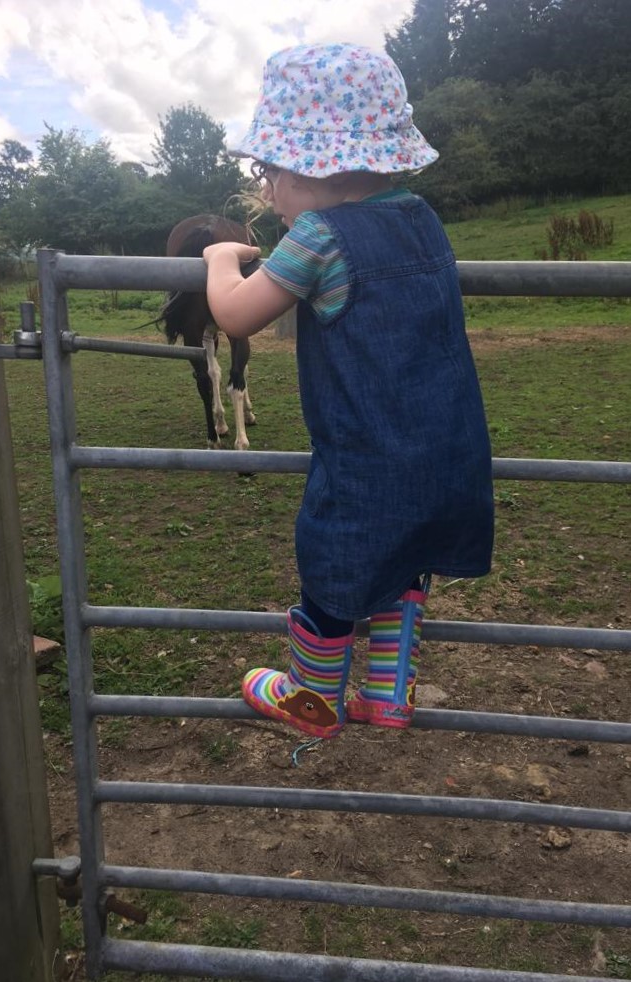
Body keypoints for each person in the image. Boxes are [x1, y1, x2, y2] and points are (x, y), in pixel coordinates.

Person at [202, 43, 494, 740]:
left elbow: (237, 314)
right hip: (448, 449)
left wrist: (218, 259)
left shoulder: (317, 236)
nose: (266, 186)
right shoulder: (423, 218)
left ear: (311, 166)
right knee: (406, 559)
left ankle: (313, 701)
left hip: (367, 458)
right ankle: (389, 694)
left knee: (333, 568)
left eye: (269, 170)